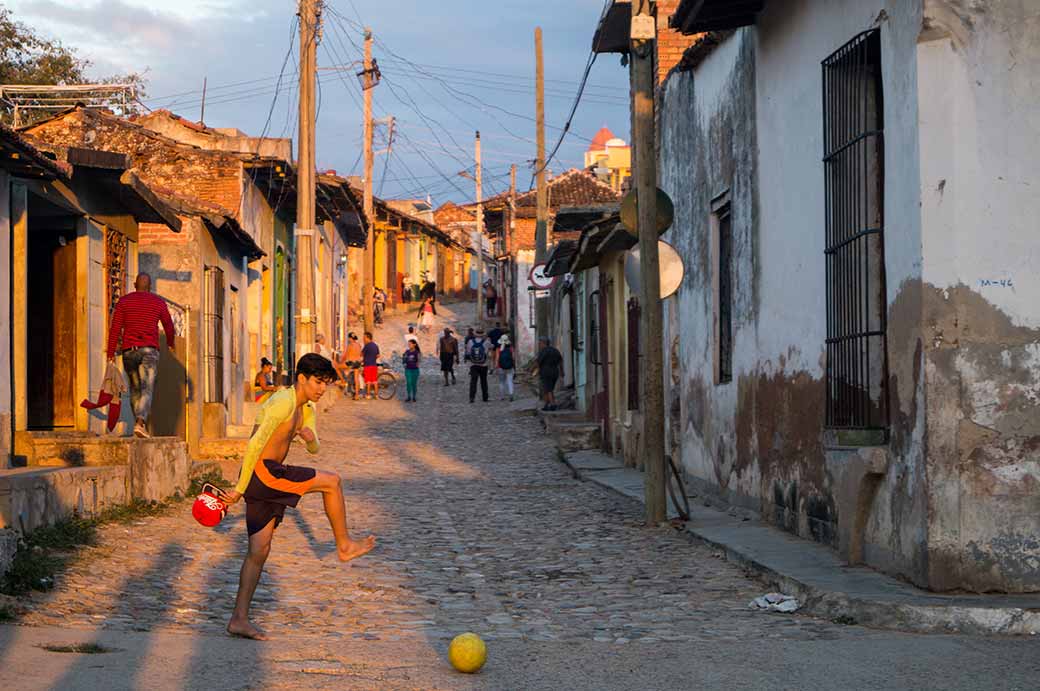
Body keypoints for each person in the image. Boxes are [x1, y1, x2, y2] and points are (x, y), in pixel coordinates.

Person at [222, 354, 376, 641]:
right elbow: (255, 443)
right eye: (318, 382)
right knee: (332, 481)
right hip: (264, 473)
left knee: (259, 551)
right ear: (302, 378)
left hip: (265, 477)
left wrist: (308, 437)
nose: (322, 389)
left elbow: (314, 448)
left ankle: (238, 619)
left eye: (326, 384)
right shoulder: (283, 401)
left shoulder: (306, 408)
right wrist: (239, 488)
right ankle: (344, 545)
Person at [106, 273, 176, 438]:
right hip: (149, 351)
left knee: (135, 388)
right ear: (150, 287)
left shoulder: (124, 302)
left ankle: (138, 424)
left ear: (134, 285)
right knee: (147, 388)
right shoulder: (158, 302)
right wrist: (170, 343)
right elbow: (168, 325)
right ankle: (140, 423)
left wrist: (110, 352)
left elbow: (115, 328)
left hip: (129, 352)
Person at [533, 336, 564, 411]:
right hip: (555, 372)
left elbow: (538, 362)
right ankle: (546, 405)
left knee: (547, 389)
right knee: (550, 388)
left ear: (543, 343)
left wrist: (535, 371)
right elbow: (560, 361)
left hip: (546, 372)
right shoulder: (555, 350)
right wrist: (562, 371)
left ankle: (553, 404)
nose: (539, 345)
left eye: (540, 343)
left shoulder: (543, 351)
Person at [467, 327, 491, 403]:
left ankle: (472, 397)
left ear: (475, 334)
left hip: (473, 365)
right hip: (483, 364)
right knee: (484, 381)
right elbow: (491, 348)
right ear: (483, 334)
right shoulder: (486, 342)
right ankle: (485, 397)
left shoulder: (470, 342)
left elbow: (468, 352)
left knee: (473, 381)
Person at [342, 332, 364, 399]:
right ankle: (357, 395)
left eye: (349, 338)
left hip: (351, 363)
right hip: (357, 363)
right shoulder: (359, 345)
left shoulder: (350, 345)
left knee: (337, 367)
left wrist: (341, 361)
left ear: (350, 338)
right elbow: (361, 354)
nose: (348, 339)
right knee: (356, 379)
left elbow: (345, 355)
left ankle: (343, 383)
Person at [361, 332, 380, 400]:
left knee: (368, 381)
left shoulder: (367, 346)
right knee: (375, 381)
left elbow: (361, 354)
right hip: (374, 365)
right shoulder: (375, 345)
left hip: (367, 365)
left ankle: (368, 395)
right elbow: (378, 355)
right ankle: (376, 395)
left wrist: (364, 359)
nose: (363, 339)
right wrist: (373, 358)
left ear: (367, 338)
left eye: (364, 337)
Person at [496, 335, 516, 402]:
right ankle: (511, 394)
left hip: (501, 367)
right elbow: (513, 358)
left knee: (501, 382)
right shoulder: (511, 349)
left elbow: (497, 359)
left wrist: (496, 367)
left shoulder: (498, 349)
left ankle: (502, 396)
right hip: (509, 367)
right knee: (510, 381)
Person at [402, 338, 421, 402]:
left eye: (410, 344)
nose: (409, 345)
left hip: (415, 370)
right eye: (408, 344)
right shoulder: (407, 351)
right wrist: (404, 363)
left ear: (414, 344)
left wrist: (417, 363)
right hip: (408, 370)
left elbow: (419, 360)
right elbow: (404, 358)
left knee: (414, 384)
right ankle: (409, 396)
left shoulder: (417, 352)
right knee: (408, 383)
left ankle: (414, 397)